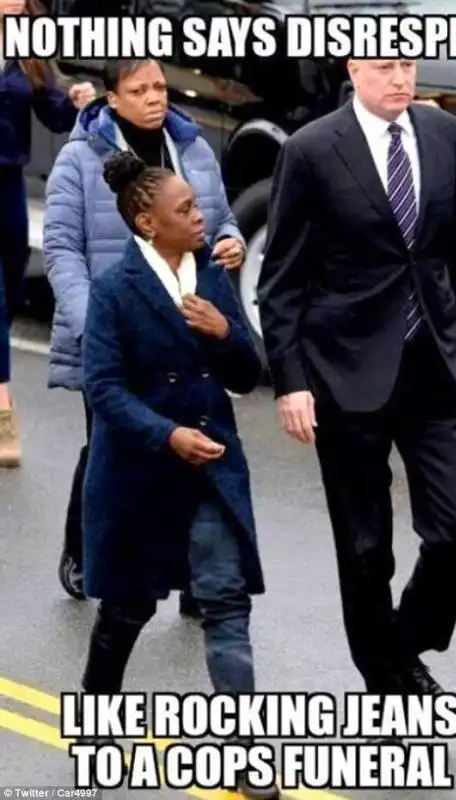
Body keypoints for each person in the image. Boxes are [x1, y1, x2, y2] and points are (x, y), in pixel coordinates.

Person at [257, 59, 456, 702]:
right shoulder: (311, 151)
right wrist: (291, 381)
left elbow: (455, 250)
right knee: (365, 549)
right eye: (385, 67)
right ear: (355, 69)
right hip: (344, 371)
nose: (400, 79)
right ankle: (387, 680)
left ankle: (400, 645)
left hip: (436, 364)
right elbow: (280, 282)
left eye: (408, 65)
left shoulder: (441, 134)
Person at [78, 150, 277, 800]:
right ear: (146, 222)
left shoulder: (212, 278)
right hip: (142, 473)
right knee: (128, 608)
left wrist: (225, 333)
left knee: (224, 605)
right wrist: (166, 435)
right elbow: (102, 389)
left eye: (197, 206)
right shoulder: (113, 293)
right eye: (186, 209)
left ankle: (245, 756)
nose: (202, 218)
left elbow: (245, 374)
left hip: (211, 468)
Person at [42, 58, 245, 609]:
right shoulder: (79, 160)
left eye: (160, 86)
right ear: (113, 99)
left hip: (184, 330)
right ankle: (86, 552)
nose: (155, 97)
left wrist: (230, 241)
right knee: (114, 448)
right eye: (139, 89)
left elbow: (222, 218)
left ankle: (194, 578)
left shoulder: (194, 150)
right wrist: (95, 325)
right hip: (115, 334)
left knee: (193, 447)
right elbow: (61, 247)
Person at [0, 0, 94, 468]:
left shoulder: (28, 47)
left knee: (11, 287)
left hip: (8, 184)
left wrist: (74, 100)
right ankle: (2, 410)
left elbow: (51, 112)